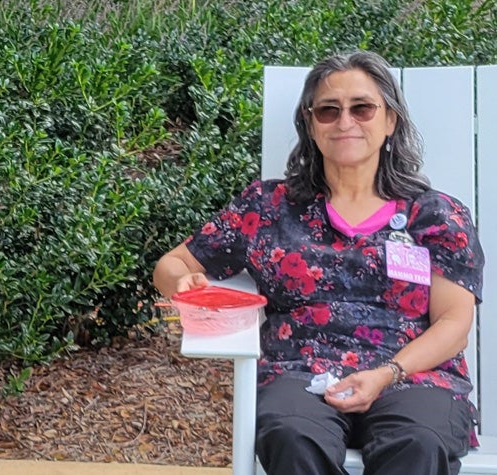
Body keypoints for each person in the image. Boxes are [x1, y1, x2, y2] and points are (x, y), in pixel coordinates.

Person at [153, 50, 483, 474]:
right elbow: (172, 264)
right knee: (291, 434)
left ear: (390, 121)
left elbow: (453, 325)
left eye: (362, 108)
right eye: (328, 110)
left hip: (412, 376)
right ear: (310, 125)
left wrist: (386, 373)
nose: (345, 121)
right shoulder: (269, 206)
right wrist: (184, 283)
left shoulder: (436, 215)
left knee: (417, 441)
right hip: (298, 373)